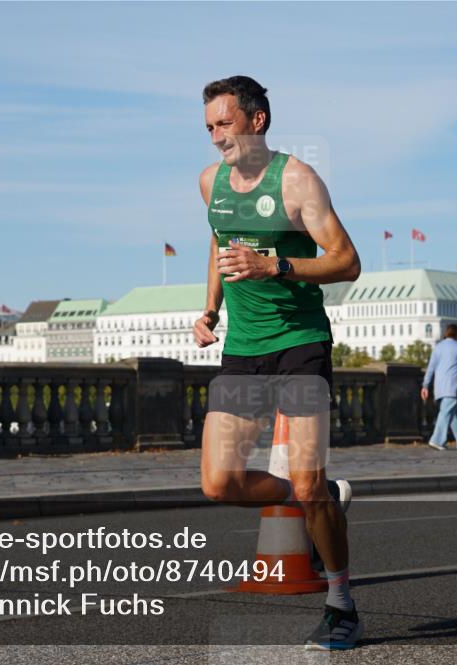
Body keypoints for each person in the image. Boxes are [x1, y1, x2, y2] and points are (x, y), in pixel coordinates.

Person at [193, 76, 363, 650]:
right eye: (210, 127)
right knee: (221, 482)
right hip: (244, 349)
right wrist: (210, 310)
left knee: (311, 480)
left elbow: (346, 262)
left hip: (300, 344)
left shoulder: (296, 181)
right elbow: (219, 243)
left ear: (256, 121)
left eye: (225, 124)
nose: (217, 137)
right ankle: (312, 496)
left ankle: (341, 604)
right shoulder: (208, 182)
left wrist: (277, 268)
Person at [420, 324, 457, 451]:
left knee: (453, 414)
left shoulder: (438, 347)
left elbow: (431, 368)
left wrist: (425, 385)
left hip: (439, 386)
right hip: (453, 385)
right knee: (446, 413)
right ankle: (437, 440)